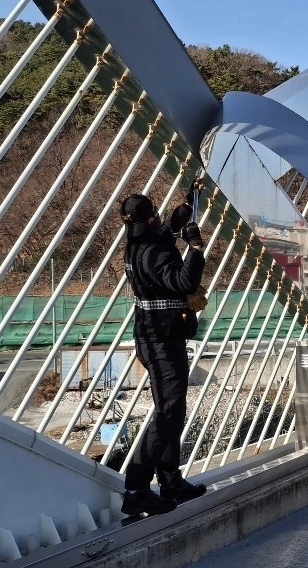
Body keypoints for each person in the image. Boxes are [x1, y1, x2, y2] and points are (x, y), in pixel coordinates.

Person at [117, 191, 209, 516]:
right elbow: (184, 282)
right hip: (162, 340)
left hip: (154, 334)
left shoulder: (136, 244)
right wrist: (195, 249)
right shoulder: (154, 253)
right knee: (168, 413)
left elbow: (162, 233)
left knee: (173, 410)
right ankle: (136, 489)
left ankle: (170, 480)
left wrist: (183, 211)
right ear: (150, 217)